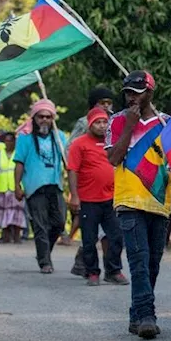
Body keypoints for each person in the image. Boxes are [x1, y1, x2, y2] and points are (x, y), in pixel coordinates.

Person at [106, 70, 171, 340]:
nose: (131, 97)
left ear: (150, 93)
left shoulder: (167, 123)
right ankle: (147, 315)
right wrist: (130, 126)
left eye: (137, 92)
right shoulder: (117, 121)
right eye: (128, 92)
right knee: (139, 261)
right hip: (129, 201)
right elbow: (113, 158)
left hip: (159, 202)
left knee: (153, 262)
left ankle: (136, 314)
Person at [67, 107, 126, 285]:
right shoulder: (79, 144)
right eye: (97, 122)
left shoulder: (113, 142)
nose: (101, 126)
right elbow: (72, 170)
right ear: (90, 125)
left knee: (116, 236)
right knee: (89, 239)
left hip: (111, 198)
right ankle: (92, 272)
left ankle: (113, 271)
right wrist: (74, 196)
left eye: (104, 122)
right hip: (88, 200)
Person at [13, 100, 68, 273]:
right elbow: (19, 163)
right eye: (41, 116)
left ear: (53, 118)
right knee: (40, 225)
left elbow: (67, 161)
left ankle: (44, 253)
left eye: (48, 117)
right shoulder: (25, 138)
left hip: (55, 185)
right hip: (34, 187)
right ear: (34, 118)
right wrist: (17, 186)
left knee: (59, 223)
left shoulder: (60, 137)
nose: (44, 120)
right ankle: (45, 262)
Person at [66, 86, 116, 268]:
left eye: (109, 103)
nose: (107, 106)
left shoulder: (116, 122)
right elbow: (71, 149)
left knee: (110, 233)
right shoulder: (83, 123)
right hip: (88, 188)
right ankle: (88, 265)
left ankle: (110, 267)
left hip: (111, 191)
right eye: (103, 103)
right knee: (90, 233)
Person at [0, 132, 26, 243]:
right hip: (3, 187)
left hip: (16, 187)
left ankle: (16, 237)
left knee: (17, 212)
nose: (8, 143)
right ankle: (5, 236)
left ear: (15, 142)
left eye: (11, 140)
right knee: (2, 212)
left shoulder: (19, 153)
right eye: (6, 140)